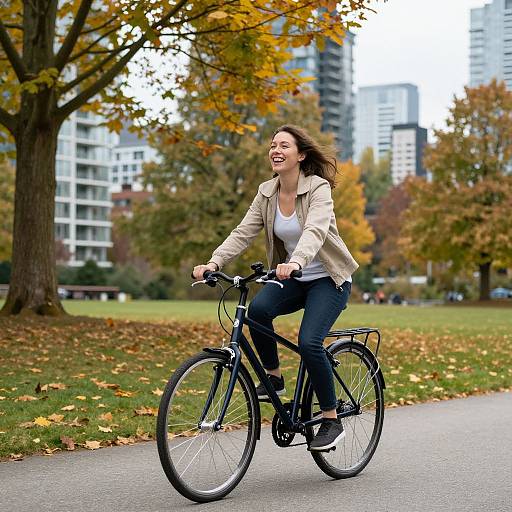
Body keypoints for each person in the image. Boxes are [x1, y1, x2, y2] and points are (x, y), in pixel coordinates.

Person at [193, 125, 358, 452]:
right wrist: (214, 263)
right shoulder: (266, 192)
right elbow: (243, 232)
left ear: (301, 155)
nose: (276, 150)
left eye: (284, 145)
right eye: (273, 145)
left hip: (328, 279)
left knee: (309, 342)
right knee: (257, 311)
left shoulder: (318, 188)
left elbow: (315, 230)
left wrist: (296, 261)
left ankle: (330, 419)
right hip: (293, 278)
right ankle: (274, 379)